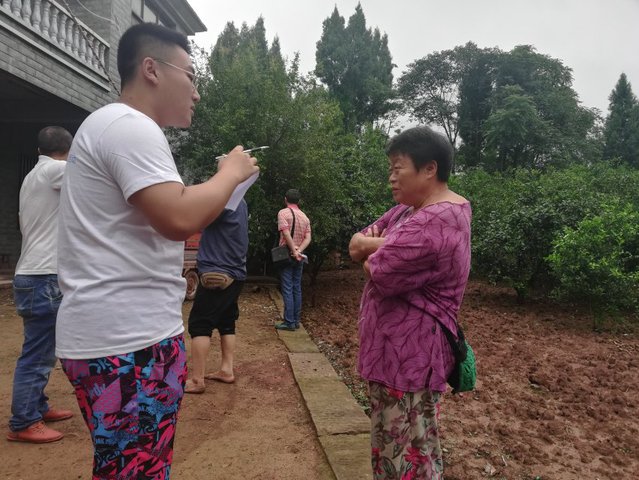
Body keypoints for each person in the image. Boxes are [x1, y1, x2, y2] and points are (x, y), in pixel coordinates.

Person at [55, 24, 258, 479]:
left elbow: (173, 208)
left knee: (129, 467)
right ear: (151, 69)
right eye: (190, 76)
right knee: (137, 472)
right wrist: (230, 172)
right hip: (128, 343)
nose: (196, 92)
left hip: (117, 337)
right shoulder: (130, 127)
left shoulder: (111, 126)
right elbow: (178, 217)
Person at [348, 126, 471, 479]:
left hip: (409, 362)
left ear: (429, 168)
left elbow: (379, 269)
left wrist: (372, 248)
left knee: (406, 454)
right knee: (401, 446)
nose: (391, 177)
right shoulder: (408, 211)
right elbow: (356, 244)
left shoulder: (440, 218)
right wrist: (373, 245)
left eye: (397, 167)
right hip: (394, 358)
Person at [7, 126, 75, 444]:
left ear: (38, 151)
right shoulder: (57, 171)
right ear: (68, 151)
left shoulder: (33, 175)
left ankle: (37, 405)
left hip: (32, 273)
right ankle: (24, 420)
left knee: (41, 348)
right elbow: (94, 177)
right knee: (38, 353)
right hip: (43, 276)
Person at [184, 199, 249, 394]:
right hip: (237, 272)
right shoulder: (241, 201)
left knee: (200, 324)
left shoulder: (224, 198)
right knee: (227, 321)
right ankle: (226, 370)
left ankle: (197, 380)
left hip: (216, 271)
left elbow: (196, 219)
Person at [274, 189, 311, 331]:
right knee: (297, 287)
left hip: (286, 255)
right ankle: (296, 321)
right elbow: (308, 238)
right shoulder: (305, 217)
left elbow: (286, 233)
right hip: (300, 257)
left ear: (285, 199)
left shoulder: (282, 213)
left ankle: (289, 322)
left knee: (288, 288)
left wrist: (293, 250)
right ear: (299, 201)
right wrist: (299, 251)